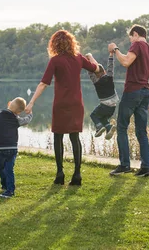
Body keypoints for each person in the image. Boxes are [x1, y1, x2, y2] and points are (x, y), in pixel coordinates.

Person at [24, 30, 98, 186]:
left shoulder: (55, 61)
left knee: (58, 137)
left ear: (54, 44)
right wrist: (91, 58)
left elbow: (44, 83)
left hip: (61, 104)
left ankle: (60, 174)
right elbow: (96, 69)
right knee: (75, 137)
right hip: (77, 104)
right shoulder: (79, 58)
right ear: (72, 43)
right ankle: (77, 175)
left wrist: (31, 102)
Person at [108, 24, 149, 177]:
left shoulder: (137, 45)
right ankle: (146, 168)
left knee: (122, 127)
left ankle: (124, 165)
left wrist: (115, 49)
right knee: (141, 132)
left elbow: (125, 62)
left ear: (135, 34)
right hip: (144, 93)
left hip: (132, 92)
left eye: (131, 38)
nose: (131, 42)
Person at [0, 97, 33, 198]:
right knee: (9, 169)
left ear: (9, 103)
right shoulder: (16, 118)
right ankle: (8, 188)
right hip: (12, 149)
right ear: (18, 112)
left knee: (1, 168)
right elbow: (26, 121)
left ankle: (8, 188)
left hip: (0, 149)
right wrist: (30, 113)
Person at [85, 52, 119, 140]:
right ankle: (108, 127)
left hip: (104, 106)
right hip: (113, 107)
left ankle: (99, 127)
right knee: (103, 118)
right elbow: (110, 66)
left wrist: (88, 61)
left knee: (94, 115)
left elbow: (91, 73)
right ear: (104, 71)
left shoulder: (96, 82)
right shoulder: (109, 77)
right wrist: (111, 55)